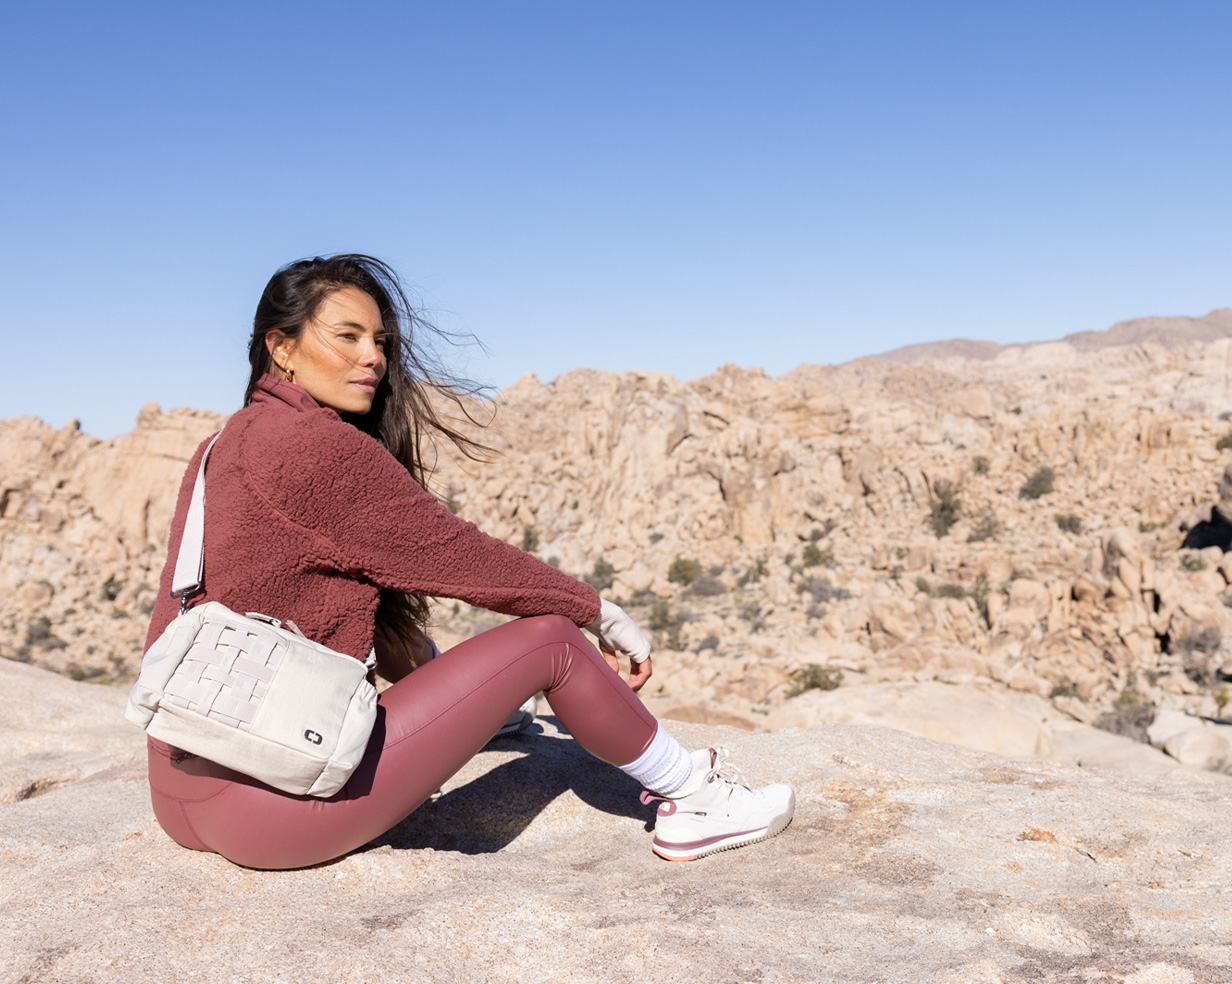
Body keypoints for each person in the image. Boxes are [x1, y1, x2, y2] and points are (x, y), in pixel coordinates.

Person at [142, 254, 794, 869]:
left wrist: (473, 705)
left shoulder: (220, 444)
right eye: (347, 336)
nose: (372, 357)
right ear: (280, 347)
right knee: (551, 641)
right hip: (283, 811)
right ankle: (695, 799)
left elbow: (234, 603)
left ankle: (503, 717)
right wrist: (595, 610)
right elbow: (460, 557)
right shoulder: (317, 446)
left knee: (473, 655)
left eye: (381, 341)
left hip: (181, 797)